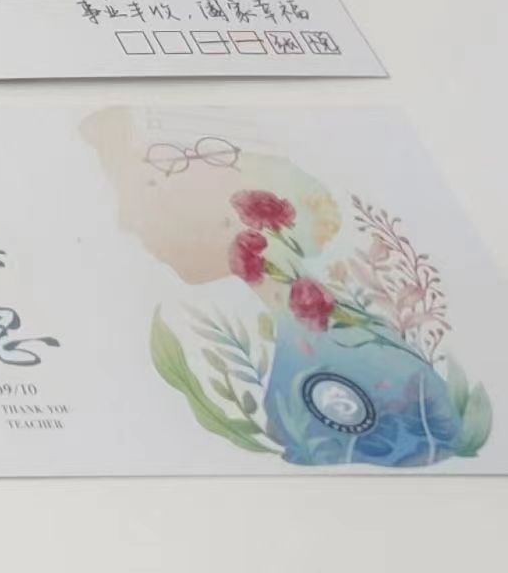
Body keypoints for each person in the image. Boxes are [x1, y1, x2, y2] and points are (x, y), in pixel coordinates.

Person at [81, 107, 470, 466]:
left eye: (142, 189)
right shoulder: (322, 343)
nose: (125, 220)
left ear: (234, 205)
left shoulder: (351, 358)